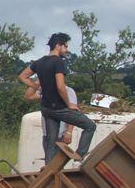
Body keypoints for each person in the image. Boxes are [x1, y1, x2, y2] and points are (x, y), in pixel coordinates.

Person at [19, 32, 96, 163]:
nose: (66, 49)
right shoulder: (58, 62)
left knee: (51, 141)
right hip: (59, 108)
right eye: (65, 46)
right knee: (90, 126)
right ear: (58, 46)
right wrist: (69, 104)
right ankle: (79, 155)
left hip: (46, 108)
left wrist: (37, 86)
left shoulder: (39, 62)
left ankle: (49, 171)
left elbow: (22, 77)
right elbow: (61, 87)